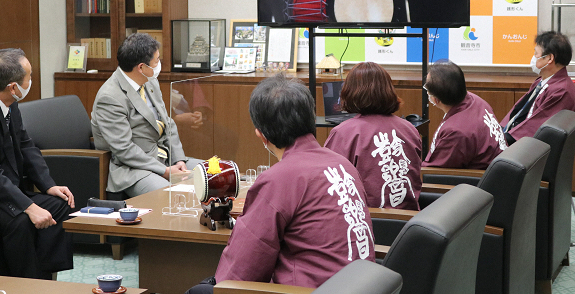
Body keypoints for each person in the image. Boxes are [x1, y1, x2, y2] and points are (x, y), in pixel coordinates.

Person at [186, 74, 375, 294]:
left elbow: (244, 265)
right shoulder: (343, 164)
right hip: (359, 285)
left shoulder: (280, 178)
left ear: (261, 134)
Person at [0, 48, 74, 279]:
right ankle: (25, 281)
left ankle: (45, 276)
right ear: (13, 87)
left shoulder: (9, 104)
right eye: (29, 76)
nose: (32, 81)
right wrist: (30, 207)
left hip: (4, 191)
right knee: (21, 221)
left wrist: (48, 186)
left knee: (59, 204)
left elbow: (27, 145)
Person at [91, 33, 202, 197]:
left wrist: (179, 160)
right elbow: (124, 149)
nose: (159, 64)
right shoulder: (110, 97)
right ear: (141, 67)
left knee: (216, 175)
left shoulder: (150, 81)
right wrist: (164, 171)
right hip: (133, 169)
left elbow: (167, 123)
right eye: (156, 61)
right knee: (175, 196)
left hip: (166, 158)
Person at [324, 62, 422, 211]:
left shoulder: (344, 133)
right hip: (411, 222)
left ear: (349, 92)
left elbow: (328, 185)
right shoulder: (409, 128)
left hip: (367, 223)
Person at [424, 61, 507, 169]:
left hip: (476, 181)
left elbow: (434, 173)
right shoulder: (477, 101)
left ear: (435, 100)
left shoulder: (456, 132)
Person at [501, 31, 575, 145]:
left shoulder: (561, 91)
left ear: (549, 58)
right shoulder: (542, 81)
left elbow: (536, 127)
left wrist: (503, 139)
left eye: (536, 53)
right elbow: (519, 111)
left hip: (530, 148)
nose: (534, 57)